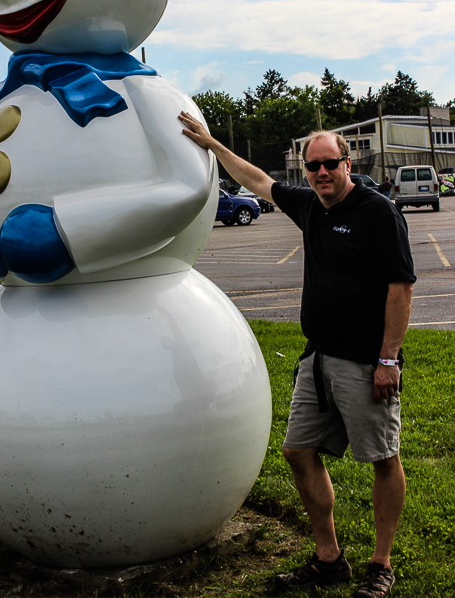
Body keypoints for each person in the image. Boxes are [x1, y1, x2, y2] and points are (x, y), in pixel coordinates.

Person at [178, 111, 415, 598]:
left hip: (366, 361)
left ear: (349, 163)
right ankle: (329, 558)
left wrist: (388, 359)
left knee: (382, 458)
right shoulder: (309, 206)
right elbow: (259, 181)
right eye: (313, 167)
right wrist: (212, 146)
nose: (322, 173)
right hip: (318, 358)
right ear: (305, 169)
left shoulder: (376, 212)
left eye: (330, 164)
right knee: (297, 452)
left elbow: (401, 285)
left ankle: (381, 564)